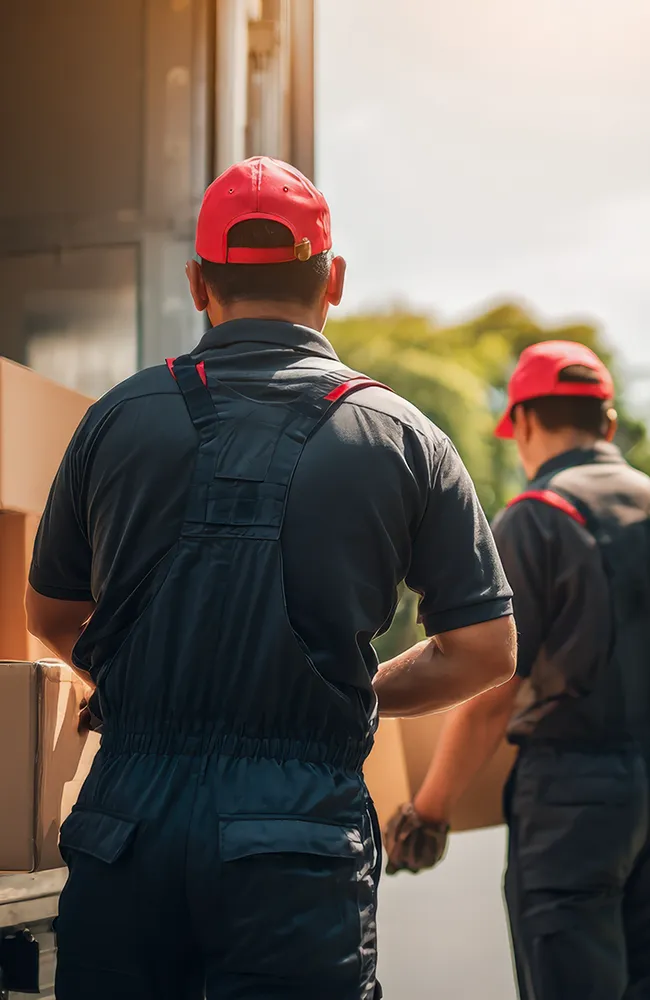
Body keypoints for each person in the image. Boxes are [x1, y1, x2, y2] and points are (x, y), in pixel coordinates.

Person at [25, 156, 515, 1000]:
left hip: (126, 831)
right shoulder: (403, 436)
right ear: (334, 280)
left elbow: (52, 613)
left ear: (196, 283)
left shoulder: (116, 419)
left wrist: (151, 683)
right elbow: (483, 651)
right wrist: (344, 694)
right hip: (298, 846)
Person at [386, 339, 650, 1000]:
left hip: (574, 803)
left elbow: (491, 696)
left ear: (524, 421)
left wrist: (428, 814)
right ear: (608, 424)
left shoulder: (538, 518)